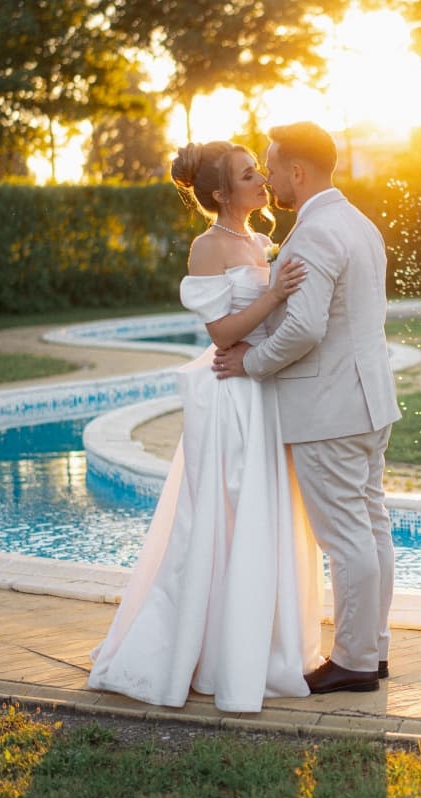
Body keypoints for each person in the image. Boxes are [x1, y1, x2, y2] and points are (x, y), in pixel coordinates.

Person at [87, 140, 321, 712]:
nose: (262, 181)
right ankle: (211, 650)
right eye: (248, 176)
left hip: (263, 390)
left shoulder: (259, 241)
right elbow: (221, 333)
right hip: (231, 397)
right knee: (226, 514)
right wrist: (273, 295)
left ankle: (262, 644)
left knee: (266, 515)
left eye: (258, 172)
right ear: (221, 193)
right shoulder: (207, 246)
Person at [213, 122, 401, 694]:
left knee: (347, 538)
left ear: (298, 171)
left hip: (329, 410)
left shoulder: (316, 232)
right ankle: (374, 648)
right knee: (371, 530)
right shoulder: (359, 223)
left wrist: (250, 362)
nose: (269, 178)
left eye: (272, 167)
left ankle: (353, 662)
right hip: (369, 403)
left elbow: (303, 328)